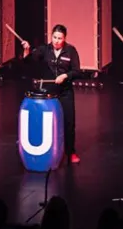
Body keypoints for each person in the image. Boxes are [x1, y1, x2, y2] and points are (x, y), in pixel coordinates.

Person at [21, 24, 83, 164]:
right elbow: (29, 61)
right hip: (50, 93)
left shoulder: (70, 51)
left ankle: (71, 152)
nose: (56, 40)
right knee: (51, 123)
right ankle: (53, 150)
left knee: (69, 122)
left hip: (65, 92)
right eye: (54, 37)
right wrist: (26, 50)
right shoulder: (45, 49)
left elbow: (77, 71)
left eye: (59, 38)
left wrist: (65, 76)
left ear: (64, 38)